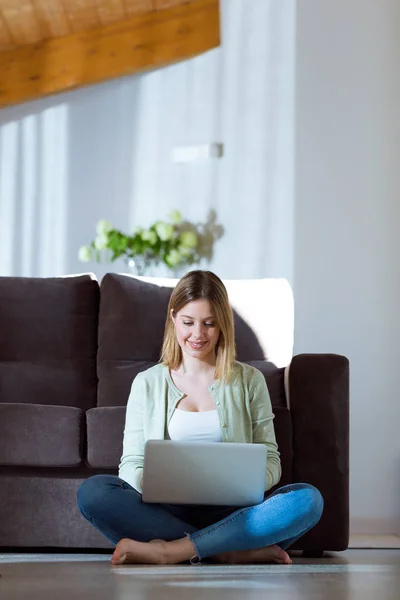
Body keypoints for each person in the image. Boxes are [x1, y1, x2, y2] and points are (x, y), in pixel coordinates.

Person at [77, 270, 323, 566]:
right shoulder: (148, 382)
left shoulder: (249, 380)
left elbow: (271, 460)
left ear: (223, 325)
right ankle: (228, 549)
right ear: (173, 318)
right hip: (167, 511)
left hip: (235, 513)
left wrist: (245, 480)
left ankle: (171, 551)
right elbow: (130, 464)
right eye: (188, 322)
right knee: (94, 493)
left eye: (209, 324)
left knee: (308, 500)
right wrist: (155, 482)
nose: (198, 335)